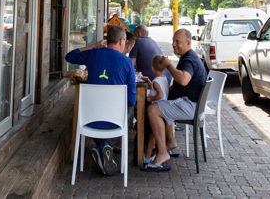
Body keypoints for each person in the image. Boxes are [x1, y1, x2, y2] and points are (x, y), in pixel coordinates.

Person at [64, 24, 137, 176]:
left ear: (106, 40)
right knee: (130, 112)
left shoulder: (93, 54)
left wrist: (94, 46)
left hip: (89, 119)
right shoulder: (127, 62)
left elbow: (69, 56)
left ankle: (100, 146)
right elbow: (131, 100)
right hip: (115, 120)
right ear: (122, 41)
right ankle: (106, 145)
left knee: (103, 117)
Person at [144, 28, 207, 172]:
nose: (173, 44)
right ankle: (170, 143)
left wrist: (169, 65)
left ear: (188, 43)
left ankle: (162, 152)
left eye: (177, 42)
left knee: (153, 110)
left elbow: (184, 80)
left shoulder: (189, 59)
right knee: (163, 105)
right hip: (192, 104)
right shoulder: (190, 57)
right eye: (173, 41)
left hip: (190, 106)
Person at [143, 54, 171, 165]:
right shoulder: (163, 79)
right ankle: (151, 155)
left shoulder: (156, 82)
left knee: (152, 135)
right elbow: (158, 88)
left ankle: (147, 157)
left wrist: (150, 98)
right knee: (154, 135)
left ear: (152, 67)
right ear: (164, 68)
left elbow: (160, 95)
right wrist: (148, 81)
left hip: (156, 110)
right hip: (164, 110)